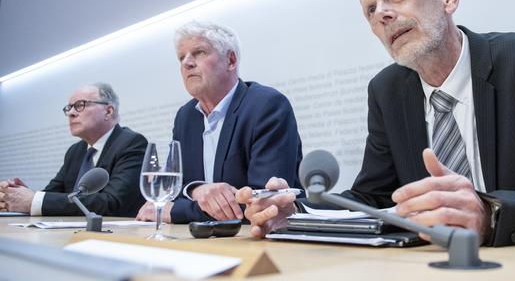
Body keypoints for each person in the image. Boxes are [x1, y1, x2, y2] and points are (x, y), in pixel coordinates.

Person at [236, 0, 515, 246]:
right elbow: (374, 197)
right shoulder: (386, 91)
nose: (383, 14)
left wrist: (491, 213)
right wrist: (296, 212)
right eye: (371, 11)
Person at [136, 21, 303, 224]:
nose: (186, 63)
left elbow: (262, 203)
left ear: (231, 60)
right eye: (181, 57)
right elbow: (174, 190)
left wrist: (177, 212)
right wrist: (196, 189)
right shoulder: (185, 116)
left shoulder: (266, 106)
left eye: (199, 52)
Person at [0, 83, 147, 217]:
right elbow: (53, 193)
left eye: (80, 105)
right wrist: (20, 195)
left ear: (108, 111)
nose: (71, 113)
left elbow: (112, 202)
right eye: (69, 108)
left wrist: (34, 200)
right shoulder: (75, 151)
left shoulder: (132, 143)